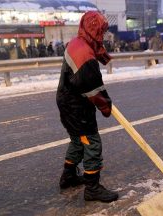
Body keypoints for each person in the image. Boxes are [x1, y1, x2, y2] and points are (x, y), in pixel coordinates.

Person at [56, 11, 118, 203]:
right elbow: (92, 88)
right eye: (102, 31)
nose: (104, 35)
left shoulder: (79, 42)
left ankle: (68, 177)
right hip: (76, 106)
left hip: (69, 101)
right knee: (91, 142)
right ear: (94, 29)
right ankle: (92, 188)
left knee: (77, 140)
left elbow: (94, 57)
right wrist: (105, 105)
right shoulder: (83, 53)